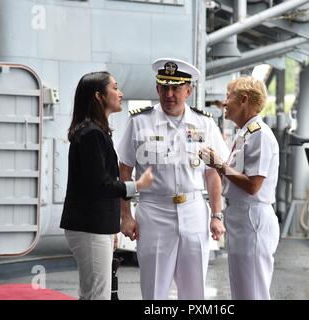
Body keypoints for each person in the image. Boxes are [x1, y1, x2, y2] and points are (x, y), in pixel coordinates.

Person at [117, 58, 229, 300]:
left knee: (194, 291)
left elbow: (212, 173)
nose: (169, 94)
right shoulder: (139, 122)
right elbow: (124, 170)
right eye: (164, 87)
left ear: (188, 90)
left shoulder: (205, 123)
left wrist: (217, 215)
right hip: (154, 212)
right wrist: (125, 215)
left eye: (176, 88)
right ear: (157, 88)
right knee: (154, 290)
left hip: (194, 210)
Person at [60, 71, 153, 300]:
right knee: (97, 295)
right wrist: (136, 185)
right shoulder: (91, 133)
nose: (120, 94)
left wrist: (111, 227)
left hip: (95, 226)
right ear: (99, 96)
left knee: (92, 292)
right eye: (115, 88)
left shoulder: (95, 131)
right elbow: (100, 185)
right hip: (90, 226)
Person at [199, 76, 280, 300]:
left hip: (252, 216)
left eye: (228, 97)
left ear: (244, 100)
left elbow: (254, 185)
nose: (224, 103)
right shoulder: (246, 133)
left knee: (252, 291)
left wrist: (218, 165)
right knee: (243, 290)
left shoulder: (260, 135)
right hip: (241, 216)